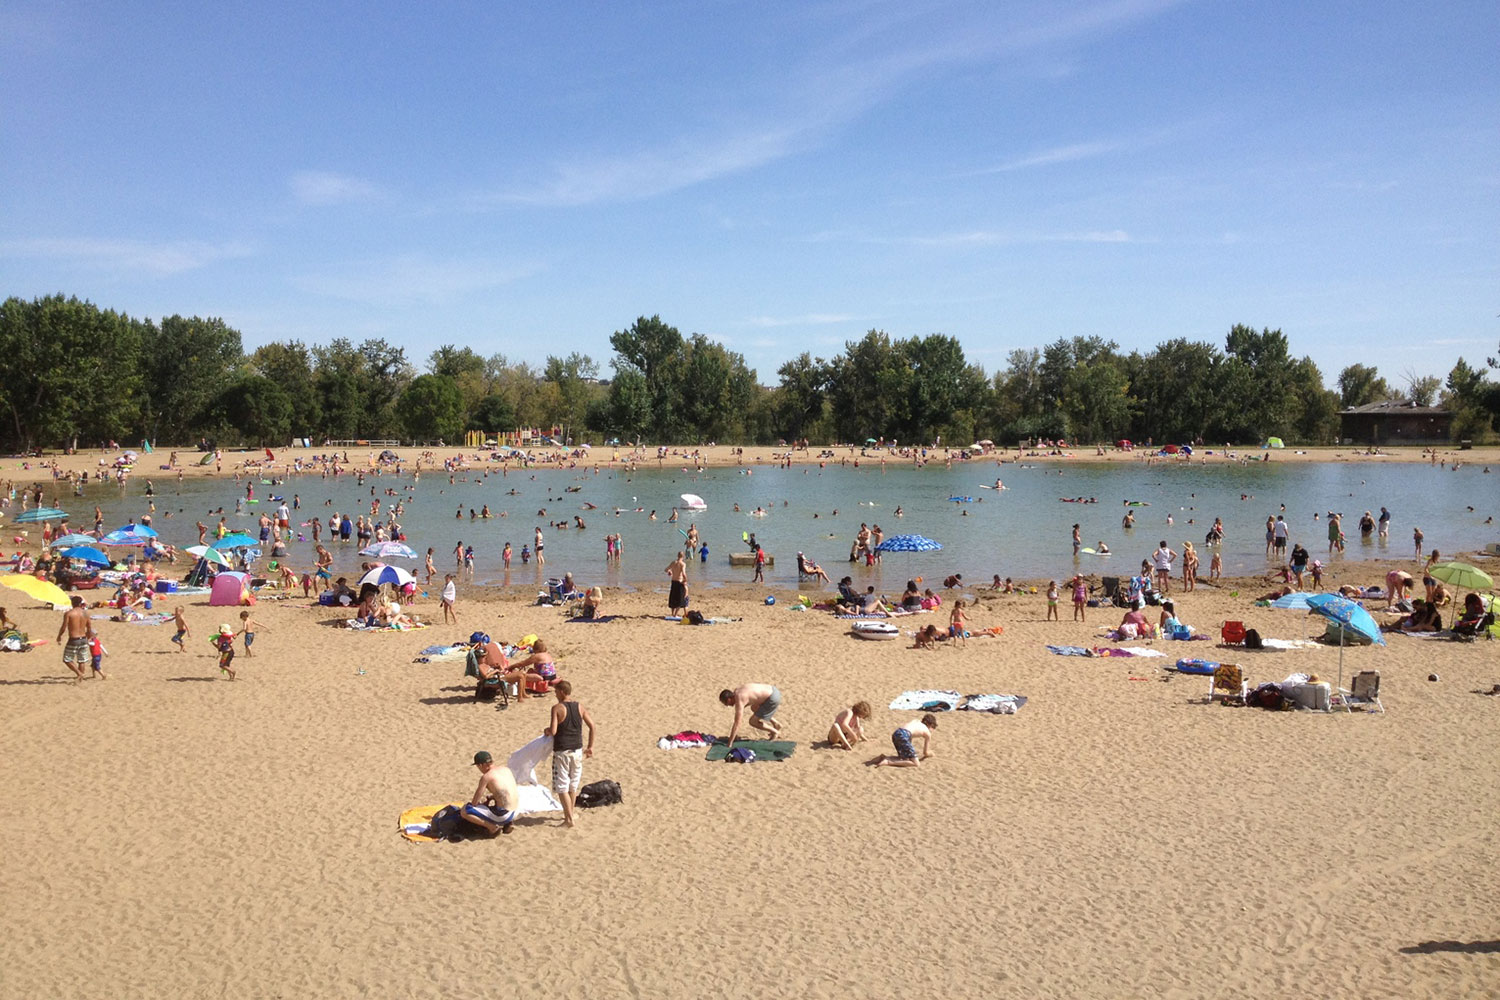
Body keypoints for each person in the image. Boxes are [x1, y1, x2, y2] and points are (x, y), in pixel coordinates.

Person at [544, 680, 596, 828]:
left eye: (555, 692)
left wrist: (546, 731)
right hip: (577, 751)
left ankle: (568, 820)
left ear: (561, 692)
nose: (555, 694)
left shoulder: (557, 708)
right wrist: (590, 746)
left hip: (562, 752)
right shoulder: (579, 706)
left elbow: (553, 731)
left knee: (562, 787)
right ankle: (570, 813)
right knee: (573, 785)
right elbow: (592, 726)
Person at [461, 751, 518, 836]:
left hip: (503, 814)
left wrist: (481, 804)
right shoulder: (506, 769)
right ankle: (508, 824)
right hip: (515, 811)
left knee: (465, 811)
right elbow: (507, 791)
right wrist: (492, 797)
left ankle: (492, 827)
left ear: (481, 765)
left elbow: (474, 803)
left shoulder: (486, 777)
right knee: (498, 803)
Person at [719, 683, 783, 745]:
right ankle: (776, 724)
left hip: (772, 698)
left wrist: (730, 742)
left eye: (727, 703)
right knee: (754, 708)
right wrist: (734, 735)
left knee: (752, 721)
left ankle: (775, 732)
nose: (728, 705)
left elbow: (737, 723)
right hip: (774, 690)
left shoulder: (740, 699)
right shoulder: (737, 691)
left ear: (729, 699)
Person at [58, 595, 90, 684]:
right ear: (80, 604)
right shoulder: (86, 613)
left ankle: (80, 674)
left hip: (74, 639)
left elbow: (64, 627)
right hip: (83, 638)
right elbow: (89, 628)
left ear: (72, 603)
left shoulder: (69, 613)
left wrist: (59, 636)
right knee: (82, 660)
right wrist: (89, 637)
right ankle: (80, 679)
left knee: (67, 659)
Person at [666, 551, 689, 615]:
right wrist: (685, 581)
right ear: (683, 556)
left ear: (677, 555)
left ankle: (672, 613)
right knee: (680, 599)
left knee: (673, 598)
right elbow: (684, 573)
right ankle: (675, 615)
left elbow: (666, 569)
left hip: (673, 581)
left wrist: (670, 571)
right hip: (679, 581)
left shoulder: (673, 562)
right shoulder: (683, 564)